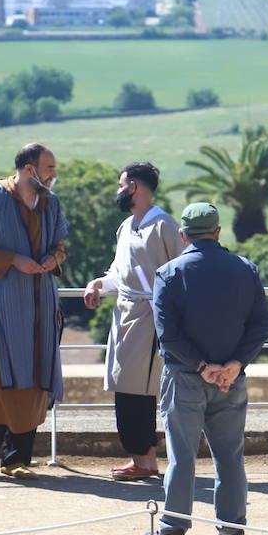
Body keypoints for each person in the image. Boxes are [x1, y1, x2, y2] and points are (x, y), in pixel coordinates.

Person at [147, 202, 268, 535]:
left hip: (186, 377)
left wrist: (202, 367)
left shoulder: (168, 273)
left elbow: (168, 335)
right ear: (218, 232)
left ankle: (173, 527)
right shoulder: (245, 269)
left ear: (183, 235)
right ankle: (232, 527)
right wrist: (235, 364)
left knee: (182, 455)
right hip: (231, 379)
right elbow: (262, 325)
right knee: (230, 455)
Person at [0, 142, 67, 481]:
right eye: (49, 168)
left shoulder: (51, 203)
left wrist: (53, 259)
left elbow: (60, 246)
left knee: (34, 380)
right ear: (29, 169)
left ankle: (18, 458)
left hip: (39, 307)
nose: (53, 175)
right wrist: (12, 260)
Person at [83, 161, 182, 480]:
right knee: (125, 386)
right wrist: (99, 283)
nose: (118, 191)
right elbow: (119, 272)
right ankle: (142, 458)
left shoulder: (164, 225)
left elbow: (181, 270)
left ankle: (145, 459)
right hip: (124, 315)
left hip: (151, 317)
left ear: (134, 187)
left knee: (141, 390)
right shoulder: (126, 227)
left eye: (120, 184)